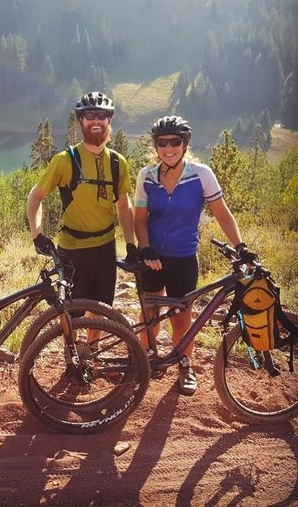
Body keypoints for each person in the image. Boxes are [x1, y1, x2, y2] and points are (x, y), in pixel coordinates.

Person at [134, 115, 256, 396]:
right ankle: (145, 359)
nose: (168, 148)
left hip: (183, 257)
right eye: (161, 143)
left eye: (174, 142)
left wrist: (240, 246)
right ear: (155, 146)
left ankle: (184, 364)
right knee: (149, 313)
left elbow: (222, 213)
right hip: (152, 257)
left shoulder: (201, 174)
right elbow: (139, 217)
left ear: (185, 144)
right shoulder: (147, 176)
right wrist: (145, 247)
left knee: (181, 316)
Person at [27, 91, 137, 314]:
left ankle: (91, 348)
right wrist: (37, 235)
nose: (96, 120)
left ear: (109, 120)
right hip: (73, 249)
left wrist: (131, 245)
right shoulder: (65, 160)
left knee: (102, 307)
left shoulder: (118, 162)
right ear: (80, 121)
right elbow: (35, 197)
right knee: (71, 311)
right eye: (89, 115)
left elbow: (124, 206)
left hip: (106, 247)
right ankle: (73, 349)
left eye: (102, 115)